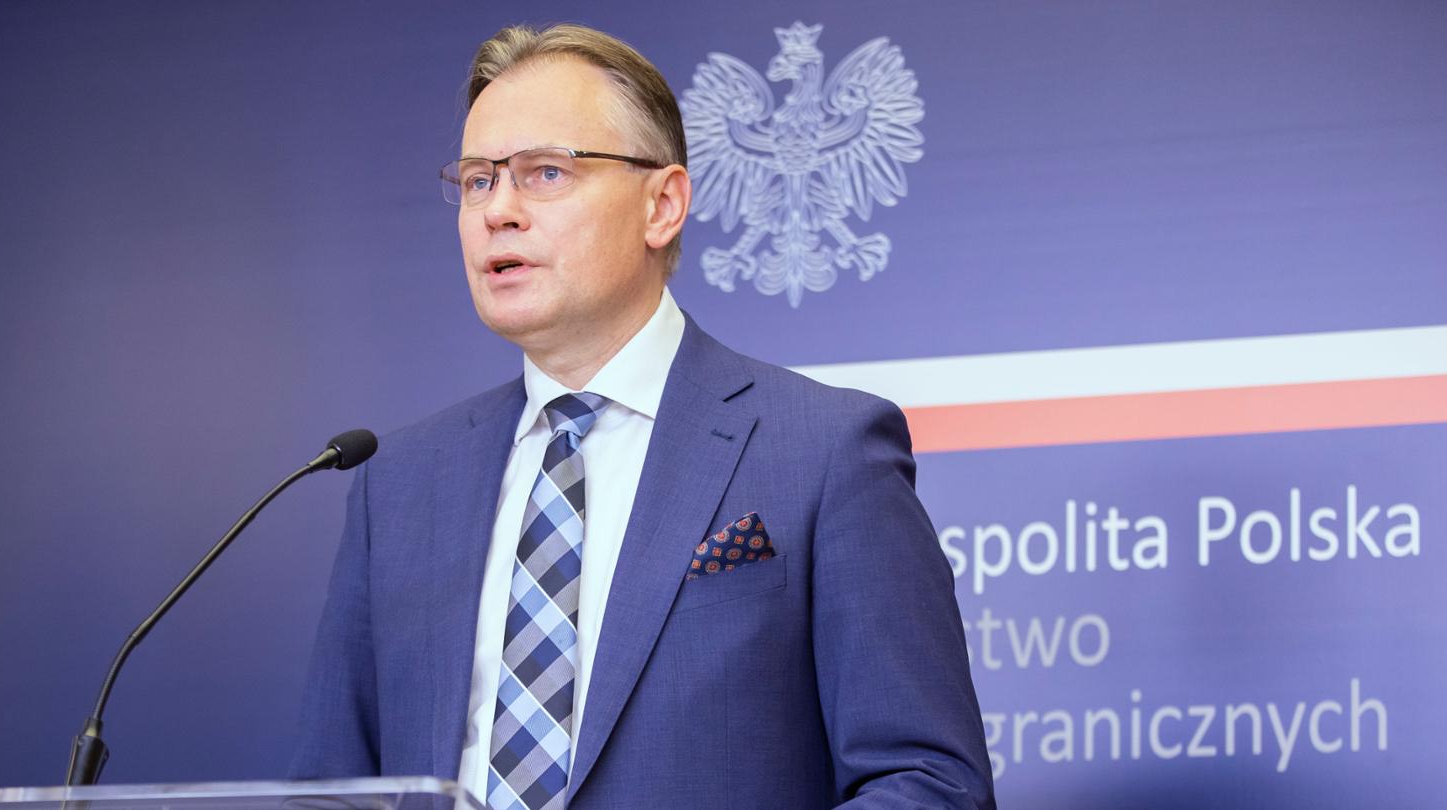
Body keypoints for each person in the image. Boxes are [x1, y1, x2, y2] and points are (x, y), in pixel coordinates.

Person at [291, 23, 994, 810]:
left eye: (545, 172)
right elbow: (332, 794)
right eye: (479, 180)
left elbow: (929, 783)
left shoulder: (823, 453)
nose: (498, 210)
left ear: (662, 205)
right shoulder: (398, 486)